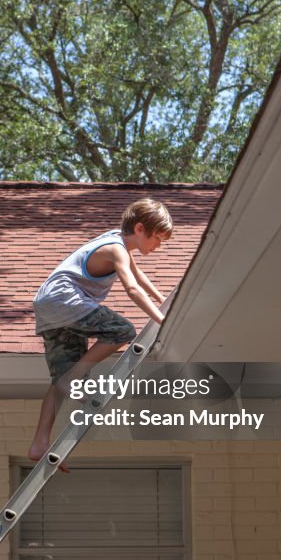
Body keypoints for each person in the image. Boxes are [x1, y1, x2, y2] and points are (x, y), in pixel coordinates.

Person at [28, 197, 173, 466]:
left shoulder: (117, 242)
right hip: (65, 300)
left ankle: (39, 443)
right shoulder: (116, 248)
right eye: (158, 239)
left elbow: (139, 276)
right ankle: (75, 377)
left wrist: (164, 299)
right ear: (140, 228)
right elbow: (132, 288)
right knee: (122, 330)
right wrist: (164, 321)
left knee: (60, 382)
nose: (158, 246)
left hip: (50, 307)